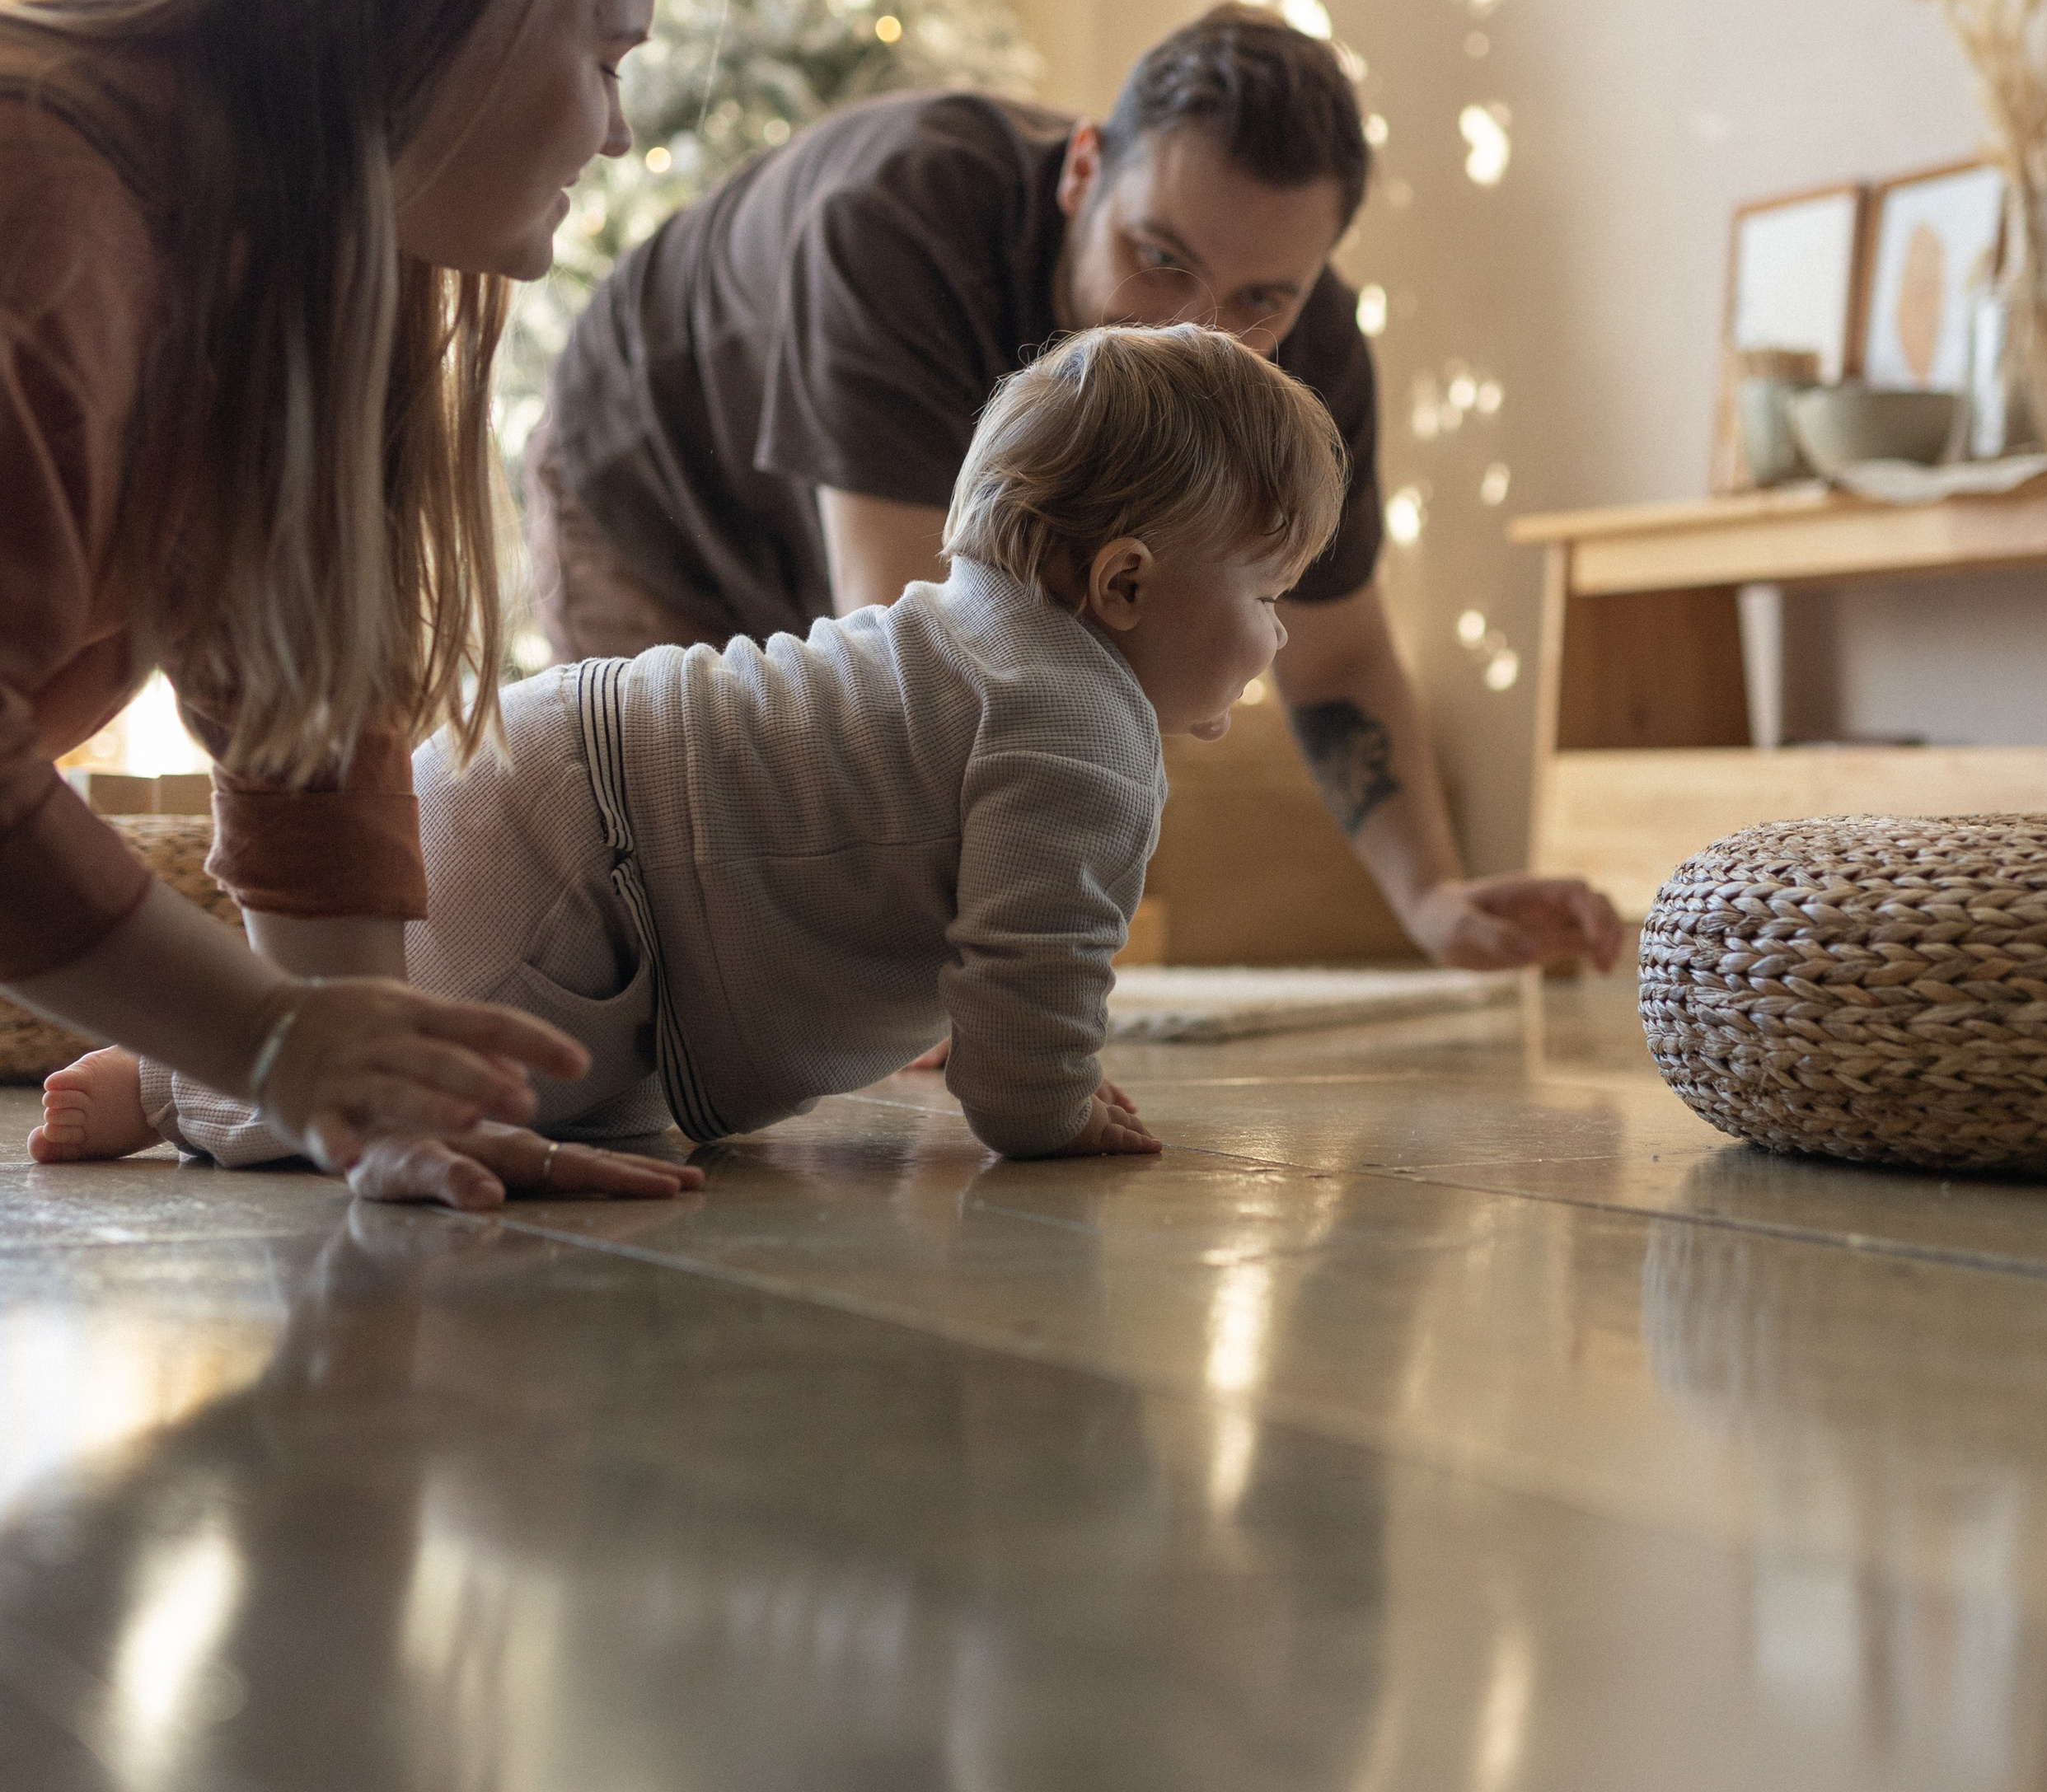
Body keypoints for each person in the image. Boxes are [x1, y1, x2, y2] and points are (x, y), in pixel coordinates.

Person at [50, 323, 1349, 1175]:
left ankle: (192, 1054)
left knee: (518, 1080)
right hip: (578, 865)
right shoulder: (1081, 729)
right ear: (1124, 584)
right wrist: (1055, 1110)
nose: (1276, 634)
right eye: (1267, 592)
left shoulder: (973, 643)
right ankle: (175, 1087)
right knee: (442, 1090)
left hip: (568, 779)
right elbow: (1032, 985)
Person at [530, 4, 1620, 976]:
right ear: (1083, 170)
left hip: (833, 538)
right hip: (651, 487)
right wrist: (955, 967)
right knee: (666, 921)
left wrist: (1431, 896)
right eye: (1161, 259)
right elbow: (912, 665)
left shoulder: (1306, 354)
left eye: (1260, 298)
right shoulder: (901, 219)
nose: (1197, 329)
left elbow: (1335, 656)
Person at [9, 0, 702, 1211]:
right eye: (603, 57)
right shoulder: (46, 213)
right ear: (442, 11)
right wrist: (274, 1045)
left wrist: (387, 1102)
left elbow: (306, 715)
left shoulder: (278, 267)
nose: (620, 129)